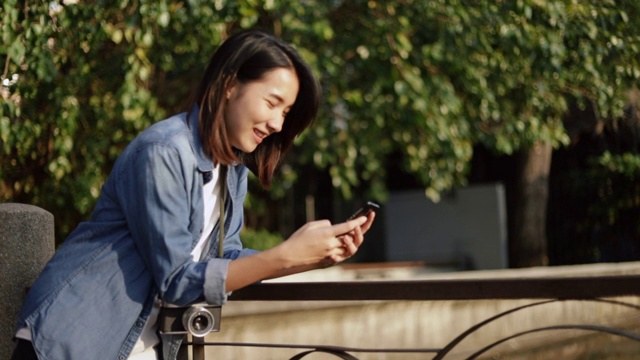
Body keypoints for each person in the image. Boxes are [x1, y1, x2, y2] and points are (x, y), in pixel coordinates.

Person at [12, 29, 375, 360]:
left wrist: (312, 258)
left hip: (137, 344)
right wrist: (285, 256)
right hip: (74, 338)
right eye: (271, 102)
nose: (279, 124)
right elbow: (176, 281)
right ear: (230, 84)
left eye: (286, 111)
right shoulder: (164, 152)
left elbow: (226, 258)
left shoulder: (231, 171)